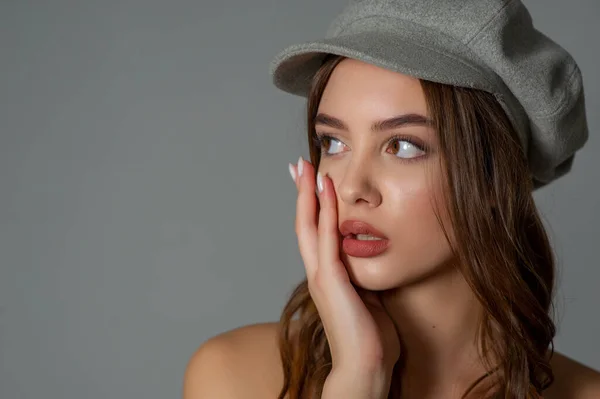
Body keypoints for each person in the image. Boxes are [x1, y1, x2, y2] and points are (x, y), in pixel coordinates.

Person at [183, 1, 600, 398]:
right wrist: (359, 379)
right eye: (333, 142)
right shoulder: (235, 375)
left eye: (403, 146)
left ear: (495, 178)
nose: (350, 188)